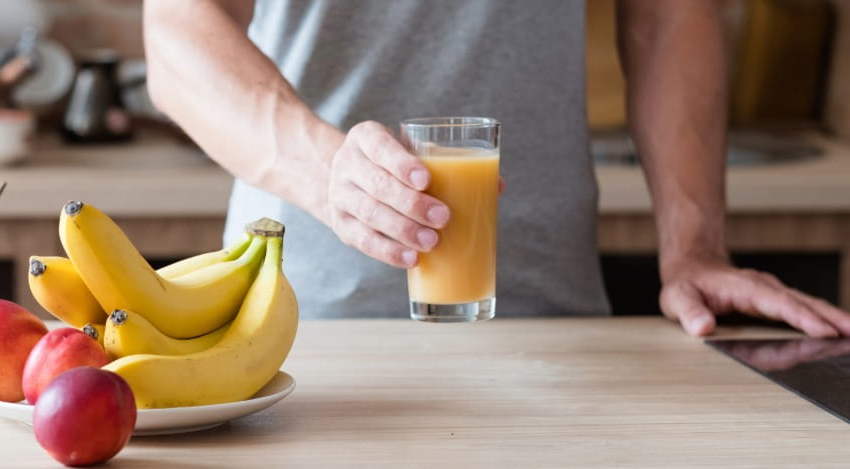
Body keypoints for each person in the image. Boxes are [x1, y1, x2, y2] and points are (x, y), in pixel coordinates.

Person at [142, 0, 850, 337]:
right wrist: (329, 172)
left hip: (559, 326)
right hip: (302, 328)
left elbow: (671, 13)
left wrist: (696, 247)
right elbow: (177, 30)